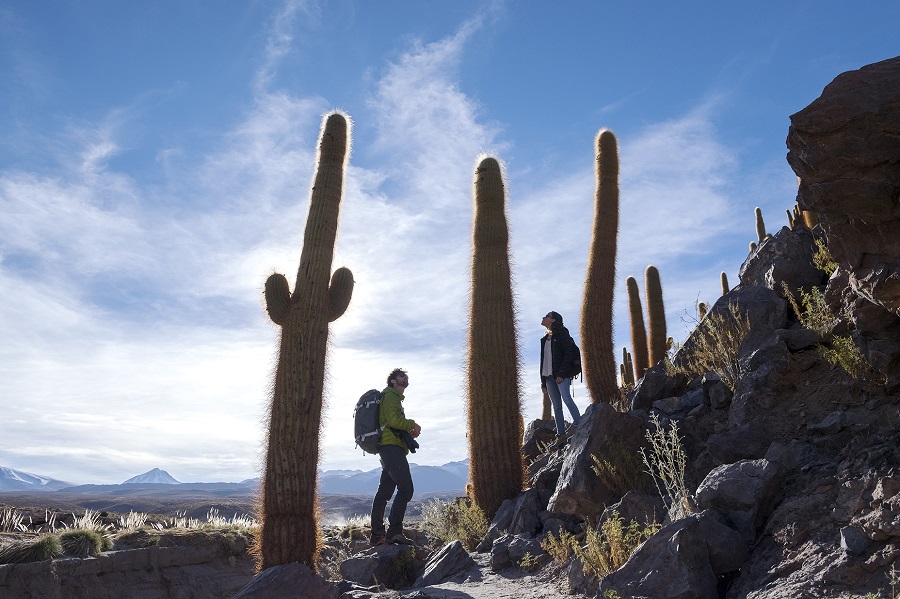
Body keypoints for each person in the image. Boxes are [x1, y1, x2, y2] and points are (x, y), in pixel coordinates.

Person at [369, 368, 422, 546]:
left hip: (388, 447)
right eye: (401, 376)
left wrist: (407, 432)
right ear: (393, 381)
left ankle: (377, 535)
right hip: (391, 448)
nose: (405, 377)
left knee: (384, 492)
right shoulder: (391, 396)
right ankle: (394, 532)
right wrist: (413, 424)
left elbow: (392, 423)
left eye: (406, 376)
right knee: (406, 489)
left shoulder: (392, 398)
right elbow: (393, 420)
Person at [539, 311, 582, 441]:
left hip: (560, 375)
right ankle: (561, 435)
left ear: (552, 320)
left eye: (547, 316)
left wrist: (562, 374)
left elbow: (568, 354)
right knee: (556, 406)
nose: (543, 317)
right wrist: (543, 383)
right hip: (548, 377)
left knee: (567, 398)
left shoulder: (562, 333)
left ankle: (580, 424)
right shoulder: (545, 339)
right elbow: (543, 361)